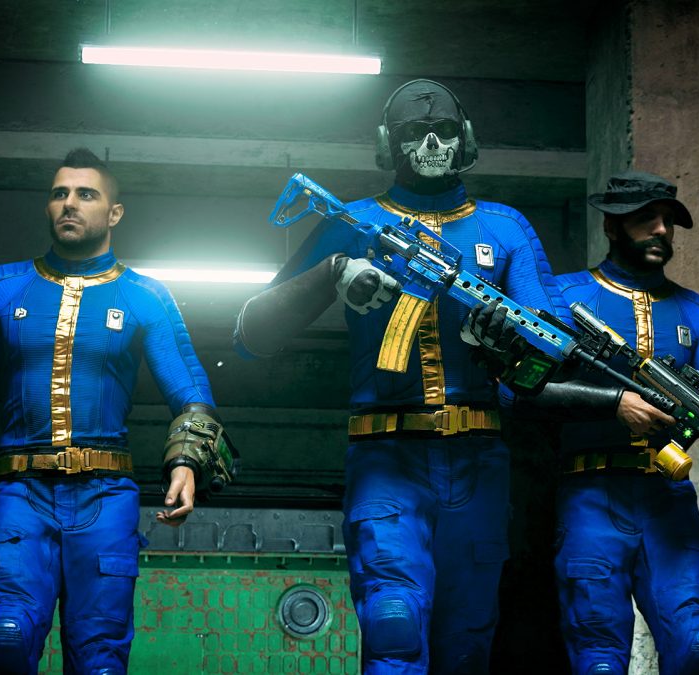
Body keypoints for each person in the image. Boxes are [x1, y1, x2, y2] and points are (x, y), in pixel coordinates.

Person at [233, 79, 569, 674]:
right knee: (394, 626)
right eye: (415, 132)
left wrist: (505, 343)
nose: (432, 142)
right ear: (389, 143)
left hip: (479, 460)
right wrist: (334, 271)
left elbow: (553, 350)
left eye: (444, 130)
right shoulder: (356, 222)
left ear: (467, 138)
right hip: (386, 456)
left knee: (467, 644)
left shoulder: (504, 227)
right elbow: (253, 334)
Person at [0, 148, 232, 674]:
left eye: (86, 194)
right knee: (5, 639)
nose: (70, 203)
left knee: (100, 661)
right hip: (20, 493)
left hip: (106, 498)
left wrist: (186, 464)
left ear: (114, 212)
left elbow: (191, 393)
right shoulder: (0, 289)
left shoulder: (145, 296)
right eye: (60, 193)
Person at [476, 171, 699, 675]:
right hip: (588, 497)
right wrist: (613, 402)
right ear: (612, 226)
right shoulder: (564, 296)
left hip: (669, 499)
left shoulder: (694, 310)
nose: (662, 230)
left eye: (668, 220)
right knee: (599, 657)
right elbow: (516, 390)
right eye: (646, 218)